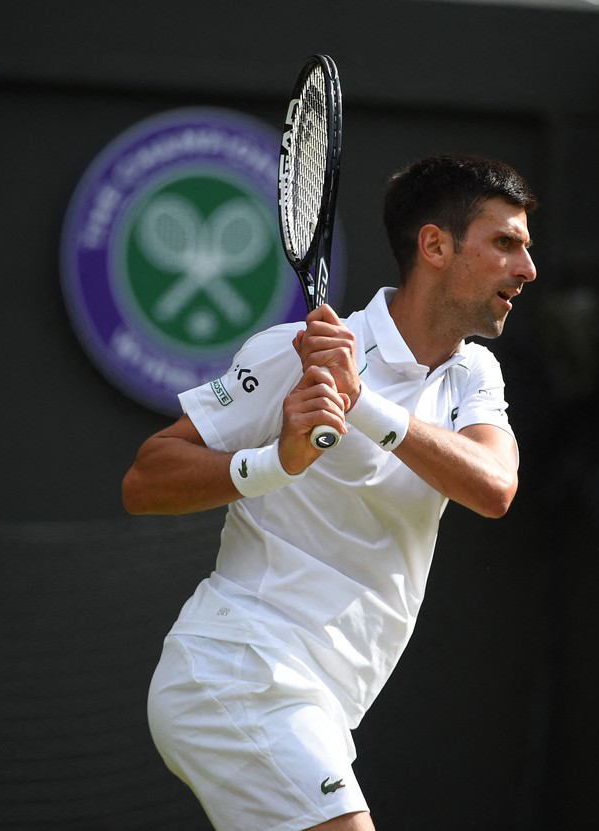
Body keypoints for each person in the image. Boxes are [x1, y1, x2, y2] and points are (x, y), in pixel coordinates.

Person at [123, 154, 537, 831]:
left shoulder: (473, 375)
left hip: (322, 703)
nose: (527, 269)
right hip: (238, 669)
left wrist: (362, 403)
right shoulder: (289, 351)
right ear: (435, 246)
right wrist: (274, 464)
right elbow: (146, 478)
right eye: (505, 243)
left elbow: (493, 486)